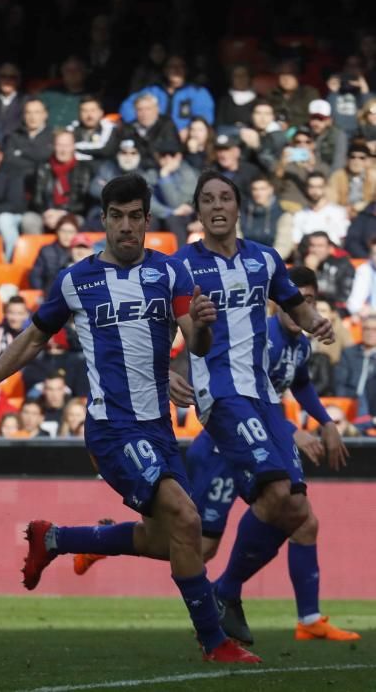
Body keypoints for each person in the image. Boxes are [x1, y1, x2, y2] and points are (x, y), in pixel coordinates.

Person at [0, 173, 259, 663]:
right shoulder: (75, 280)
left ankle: (55, 538)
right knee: (187, 518)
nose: (126, 226)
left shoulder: (170, 274)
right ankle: (215, 643)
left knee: (173, 542)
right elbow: (33, 340)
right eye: (116, 217)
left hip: (158, 430)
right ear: (103, 221)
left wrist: (203, 326)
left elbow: (196, 344)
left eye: (134, 216)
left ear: (146, 220)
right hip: (112, 429)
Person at [79, 267, 359, 643]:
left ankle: (306, 617)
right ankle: (101, 540)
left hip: (253, 443)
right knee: (196, 543)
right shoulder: (264, 339)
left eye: (309, 301)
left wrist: (324, 419)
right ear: (277, 302)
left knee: (299, 520)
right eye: (297, 300)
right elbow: (234, 386)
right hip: (220, 449)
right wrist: (295, 431)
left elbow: (300, 383)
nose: (301, 309)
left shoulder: (299, 345)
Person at [173, 170, 334, 648]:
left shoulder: (264, 259)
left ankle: (225, 589)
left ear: (239, 207)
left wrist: (316, 322)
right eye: (208, 199)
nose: (217, 205)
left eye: (226, 197)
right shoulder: (181, 265)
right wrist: (171, 365)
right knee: (274, 492)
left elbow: (294, 306)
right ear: (199, 211)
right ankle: (223, 591)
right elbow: (178, 335)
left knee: (293, 507)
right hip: (220, 395)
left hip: (264, 397)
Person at [239, 176, 294, 260]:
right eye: (255, 189)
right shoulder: (240, 214)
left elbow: (283, 245)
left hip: (271, 262)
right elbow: (235, 241)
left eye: (262, 189)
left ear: (271, 190)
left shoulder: (283, 216)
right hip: (243, 260)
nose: (258, 193)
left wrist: (267, 261)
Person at [292, 173, 350, 247]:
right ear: (306, 188)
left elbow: (343, 238)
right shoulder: (300, 215)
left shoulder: (339, 212)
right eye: (311, 187)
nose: (315, 191)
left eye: (319, 187)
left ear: (325, 188)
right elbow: (296, 242)